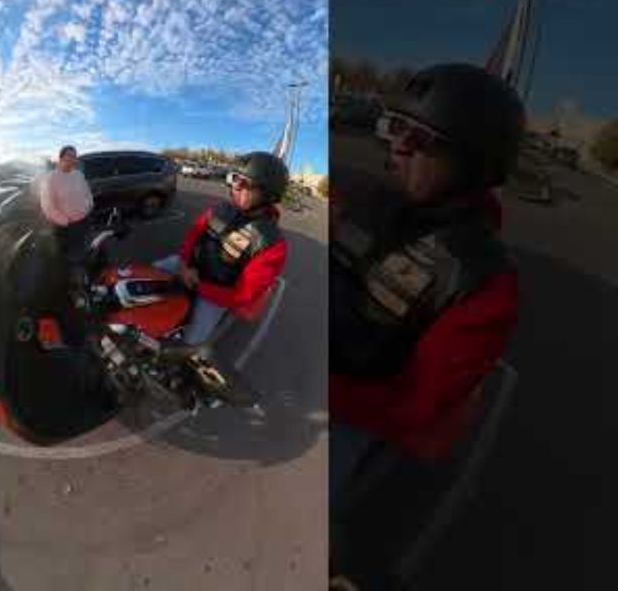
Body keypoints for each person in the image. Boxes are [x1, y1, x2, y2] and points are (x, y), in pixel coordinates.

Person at [329, 63, 524, 504]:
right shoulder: (362, 200)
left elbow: (414, 403)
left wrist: (321, 388)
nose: (397, 146)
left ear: (473, 162)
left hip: (356, 407)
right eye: (395, 126)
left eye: (419, 138)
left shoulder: (483, 280)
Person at [154, 151, 289, 351]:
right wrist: (184, 265)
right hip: (189, 268)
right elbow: (193, 236)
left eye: (245, 183)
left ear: (268, 194)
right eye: (235, 179)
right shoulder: (219, 210)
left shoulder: (271, 244)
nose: (236, 186)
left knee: (193, 339)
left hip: (217, 292)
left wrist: (197, 285)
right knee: (150, 271)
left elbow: (243, 295)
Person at [38, 145, 94, 263]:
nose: (72, 159)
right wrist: (64, 221)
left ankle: (84, 265)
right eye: (69, 156)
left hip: (83, 220)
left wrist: (89, 206)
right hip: (66, 226)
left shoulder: (78, 175)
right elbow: (47, 205)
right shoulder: (51, 178)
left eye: (74, 156)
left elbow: (87, 193)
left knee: (83, 247)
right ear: (61, 158)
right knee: (69, 256)